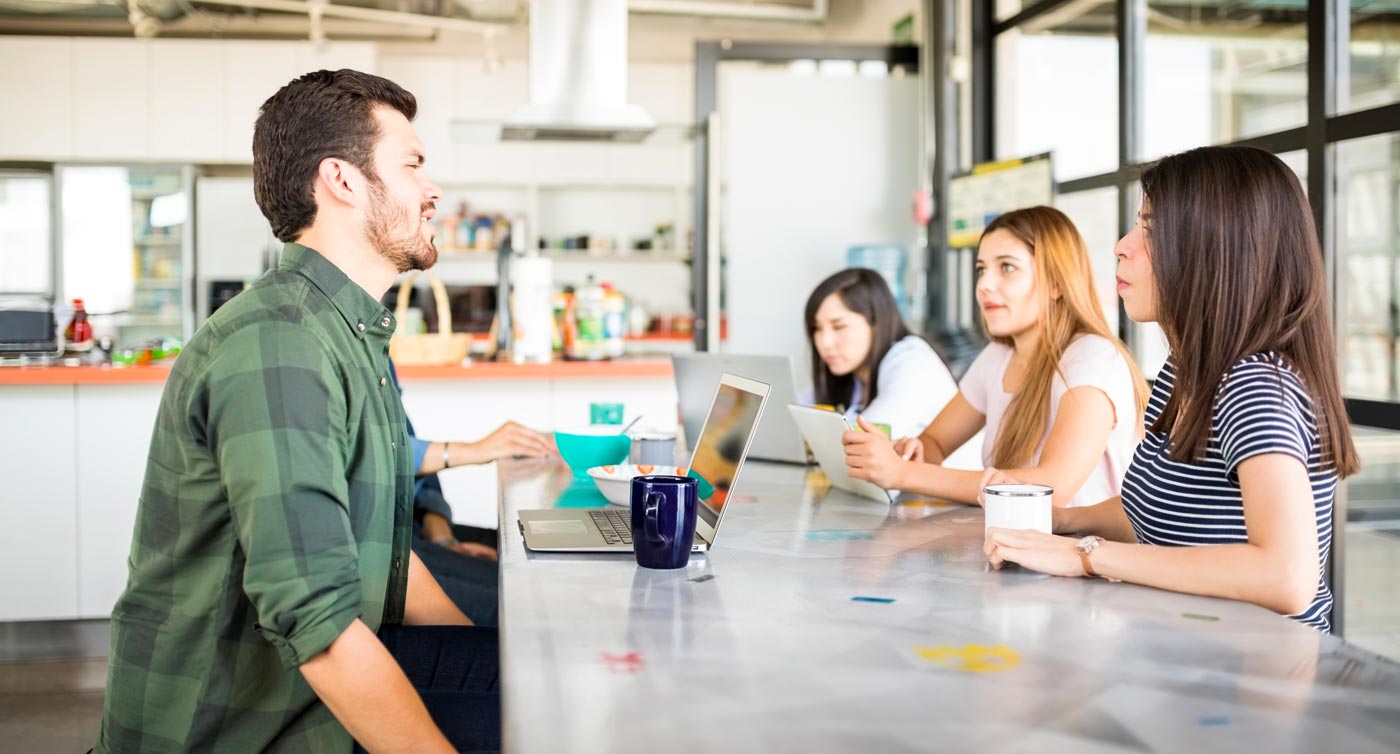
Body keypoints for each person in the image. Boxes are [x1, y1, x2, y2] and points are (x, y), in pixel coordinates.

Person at [95, 69, 497, 754]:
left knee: (544, 681)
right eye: (413, 166)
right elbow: (321, 629)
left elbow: (380, 559)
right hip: (240, 724)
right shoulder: (279, 344)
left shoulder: (343, 331)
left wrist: (486, 647)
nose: (433, 192)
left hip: (295, 686)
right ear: (341, 180)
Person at [983, 145, 1359, 632]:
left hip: (1254, 682)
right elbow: (1158, 511)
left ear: (1218, 250)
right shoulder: (1184, 373)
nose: (1121, 245)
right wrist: (1059, 521)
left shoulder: (1254, 384)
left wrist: (1087, 556)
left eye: (1152, 231)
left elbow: (1286, 577)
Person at [843, 206, 1147, 507]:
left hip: (1086, 550)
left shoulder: (1093, 359)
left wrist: (904, 474)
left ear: (1056, 283)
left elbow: (1052, 488)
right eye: (981, 270)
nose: (984, 285)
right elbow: (935, 442)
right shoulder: (998, 356)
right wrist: (912, 451)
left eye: (1007, 268)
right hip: (1023, 544)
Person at [392, 357, 554, 627]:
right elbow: (370, 457)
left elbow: (405, 444)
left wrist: (441, 533)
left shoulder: (376, 346)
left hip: (411, 530)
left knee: (532, 562)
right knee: (530, 601)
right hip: (390, 553)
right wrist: (473, 450)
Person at [801, 267, 959, 443]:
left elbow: (862, 443)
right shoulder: (851, 379)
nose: (825, 342)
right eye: (817, 328)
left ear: (876, 322)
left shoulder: (912, 362)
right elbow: (792, 415)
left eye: (839, 327)